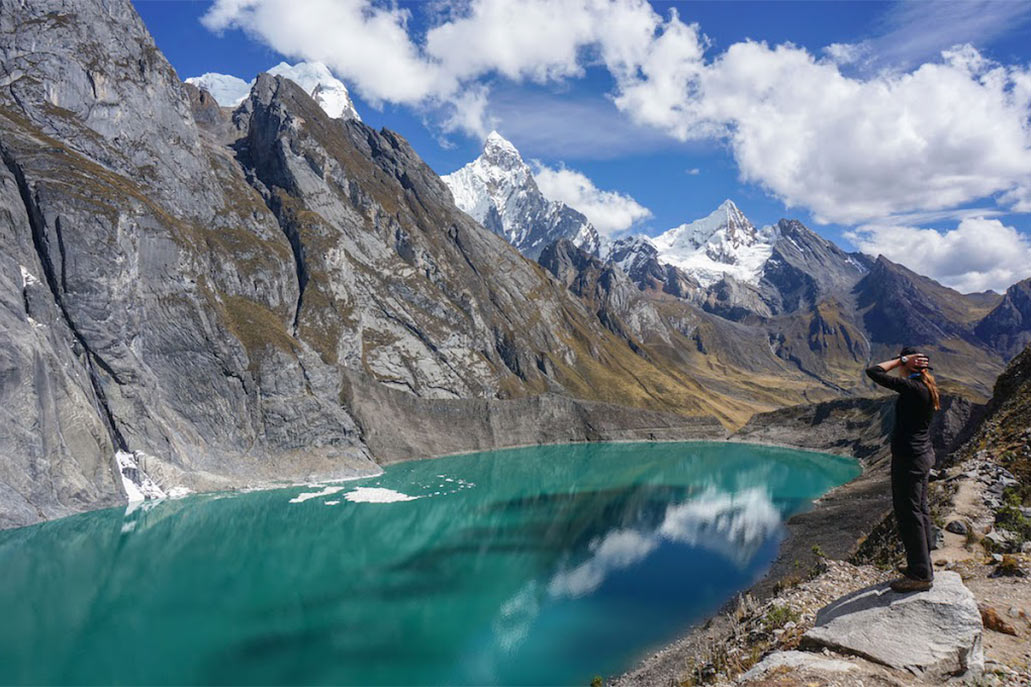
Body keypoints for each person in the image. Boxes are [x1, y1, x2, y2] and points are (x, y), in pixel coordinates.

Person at [865, 346, 941, 592]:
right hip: (921, 456)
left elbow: (873, 372)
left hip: (909, 459)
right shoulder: (926, 387)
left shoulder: (912, 388)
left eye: (903, 361)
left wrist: (899, 361)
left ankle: (919, 574)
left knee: (909, 514)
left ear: (909, 364)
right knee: (919, 509)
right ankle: (922, 564)